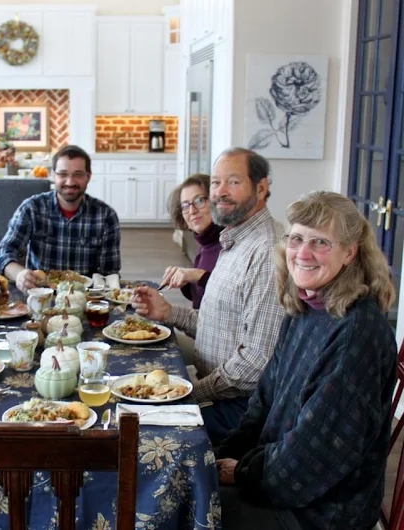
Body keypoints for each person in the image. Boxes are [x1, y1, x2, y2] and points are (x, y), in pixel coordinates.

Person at [215, 191, 397, 530]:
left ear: (349, 253)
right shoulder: (305, 307)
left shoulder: (355, 333)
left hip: (321, 511)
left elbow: (315, 459)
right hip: (281, 478)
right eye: (297, 238)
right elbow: (263, 402)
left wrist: (241, 471)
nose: (304, 253)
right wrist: (226, 454)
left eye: (321, 242)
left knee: (183, 510)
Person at [132, 147, 285, 444]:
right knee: (130, 398)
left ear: (261, 188)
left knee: (140, 433)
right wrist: (168, 313)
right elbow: (222, 321)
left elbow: (255, 363)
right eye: (215, 183)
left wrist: (192, 390)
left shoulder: (266, 251)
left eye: (233, 182)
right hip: (220, 390)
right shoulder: (235, 239)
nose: (220, 192)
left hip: (241, 409)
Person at [0, 144, 121, 293]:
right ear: (53, 175)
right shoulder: (32, 208)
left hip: (84, 297)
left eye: (78, 174)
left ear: (88, 177)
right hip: (39, 294)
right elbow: (3, 251)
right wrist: (20, 274)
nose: (70, 182)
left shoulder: (106, 216)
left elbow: (109, 273)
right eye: (63, 174)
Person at [160, 173, 223, 309]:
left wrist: (199, 275)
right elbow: (200, 297)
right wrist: (186, 279)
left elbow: (229, 299)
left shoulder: (227, 244)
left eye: (199, 201)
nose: (192, 211)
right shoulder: (206, 244)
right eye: (185, 206)